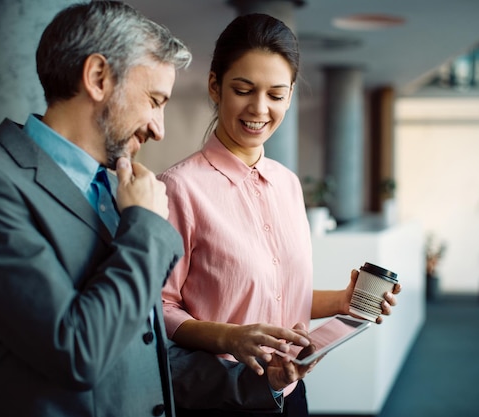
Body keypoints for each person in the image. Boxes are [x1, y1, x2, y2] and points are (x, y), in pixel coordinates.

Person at [0, 3, 309, 416]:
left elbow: (146, 353)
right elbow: (76, 351)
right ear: (97, 78)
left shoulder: (115, 190)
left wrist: (261, 384)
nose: (158, 128)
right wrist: (145, 226)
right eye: (154, 100)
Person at [158, 13, 402, 417]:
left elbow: (276, 297)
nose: (259, 108)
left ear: (290, 96)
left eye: (276, 94)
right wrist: (229, 338)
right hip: (218, 396)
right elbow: (159, 308)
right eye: (243, 89)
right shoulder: (179, 188)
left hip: (289, 394)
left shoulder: (288, 185)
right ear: (215, 87)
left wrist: (343, 301)